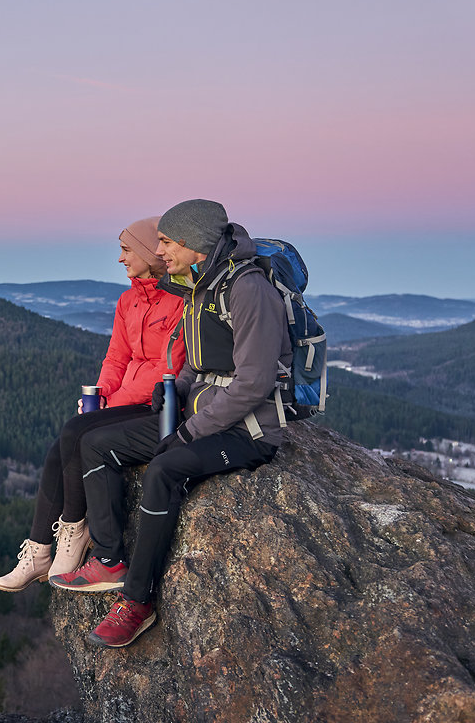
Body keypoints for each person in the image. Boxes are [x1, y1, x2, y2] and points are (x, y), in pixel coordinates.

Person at [50, 199, 292, 648]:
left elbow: (255, 382)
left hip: (247, 431)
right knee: (97, 443)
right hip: (198, 415)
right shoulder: (203, 285)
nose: (159, 252)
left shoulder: (248, 289)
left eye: (164, 241)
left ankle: (137, 601)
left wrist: (186, 432)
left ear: (192, 241)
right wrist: (171, 405)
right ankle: (109, 559)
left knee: (164, 469)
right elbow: (195, 365)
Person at [0, 217, 186, 592]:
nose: (120, 258)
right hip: (124, 399)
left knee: (76, 434)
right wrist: (100, 396)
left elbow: (169, 366)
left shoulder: (180, 302)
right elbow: (116, 357)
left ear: (149, 253)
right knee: (63, 442)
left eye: (127, 250)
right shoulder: (128, 300)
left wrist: (112, 402)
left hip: (158, 403)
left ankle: (75, 530)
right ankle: (39, 550)